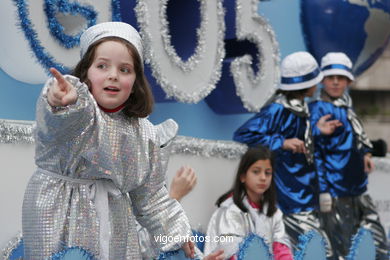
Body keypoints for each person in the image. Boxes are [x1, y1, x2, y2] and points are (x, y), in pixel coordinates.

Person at [22, 22, 195, 260]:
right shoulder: (80, 111)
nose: (113, 75)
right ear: (85, 73)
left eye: (125, 70)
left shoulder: (143, 132)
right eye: (102, 66)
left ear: (135, 81)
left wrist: (177, 235)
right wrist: (62, 102)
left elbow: (151, 197)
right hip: (58, 214)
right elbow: (59, 125)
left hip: (115, 222)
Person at [233, 52, 333, 257]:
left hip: (306, 194)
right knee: (322, 251)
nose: (319, 84)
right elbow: (242, 133)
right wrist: (282, 143)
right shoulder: (277, 110)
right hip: (290, 197)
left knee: (306, 251)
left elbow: (300, 141)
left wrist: (315, 130)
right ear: (305, 84)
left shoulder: (302, 109)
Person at [309, 52, 388, 260]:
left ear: (348, 81)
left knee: (377, 241)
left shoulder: (347, 107)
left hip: (358, 188)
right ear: (322, 80)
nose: (335, 82)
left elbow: (357, 136)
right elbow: (315, 153)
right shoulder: (316, 110)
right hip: (334, 193)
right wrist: (323, 190)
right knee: (341, 248)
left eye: (341, 77)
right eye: (330, 77)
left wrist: (366, 152)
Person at [203, 146, 293, 260]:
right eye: (256, 172)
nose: (263, 178)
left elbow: (281, 248)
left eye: (268, 173)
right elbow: (231, 252)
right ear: (243, 176)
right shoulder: (230, 211)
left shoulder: (274, 212)